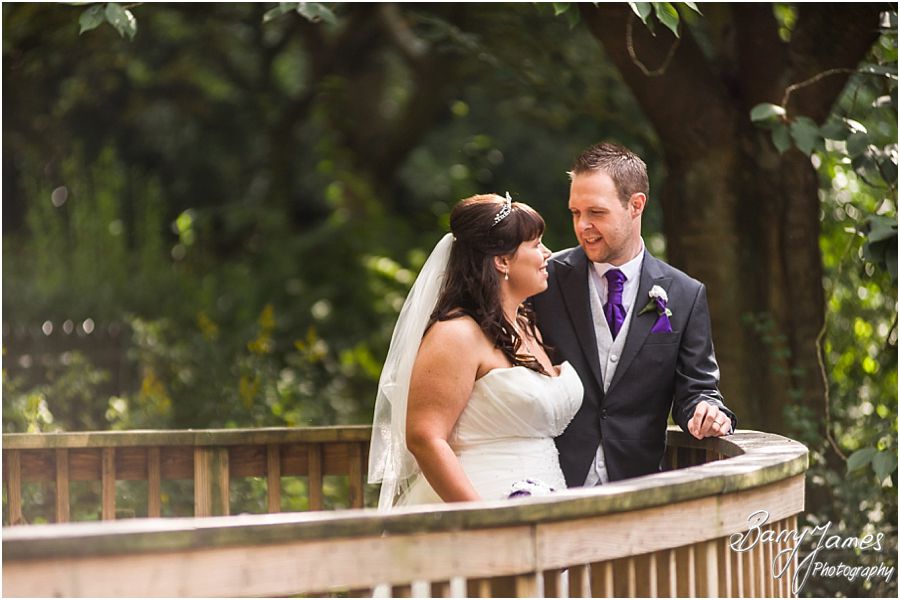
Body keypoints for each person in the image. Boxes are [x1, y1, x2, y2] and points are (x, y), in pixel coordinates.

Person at [532, 142, 738, 487]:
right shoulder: (544, 281)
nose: (583, 225)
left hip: (637, 488)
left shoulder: (685, 294)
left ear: (636, 205)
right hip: (549, 483)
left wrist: (707, 411)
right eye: (575, 213)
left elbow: (697, 388)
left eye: (596, 213)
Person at [368, 193, 583, 509]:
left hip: (547, 503)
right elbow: (424, 437)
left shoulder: (527, 325)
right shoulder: (456, 335)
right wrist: (484, 518)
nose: (547, 253)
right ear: (503, 260)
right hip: (479, 509)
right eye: (536, 245)